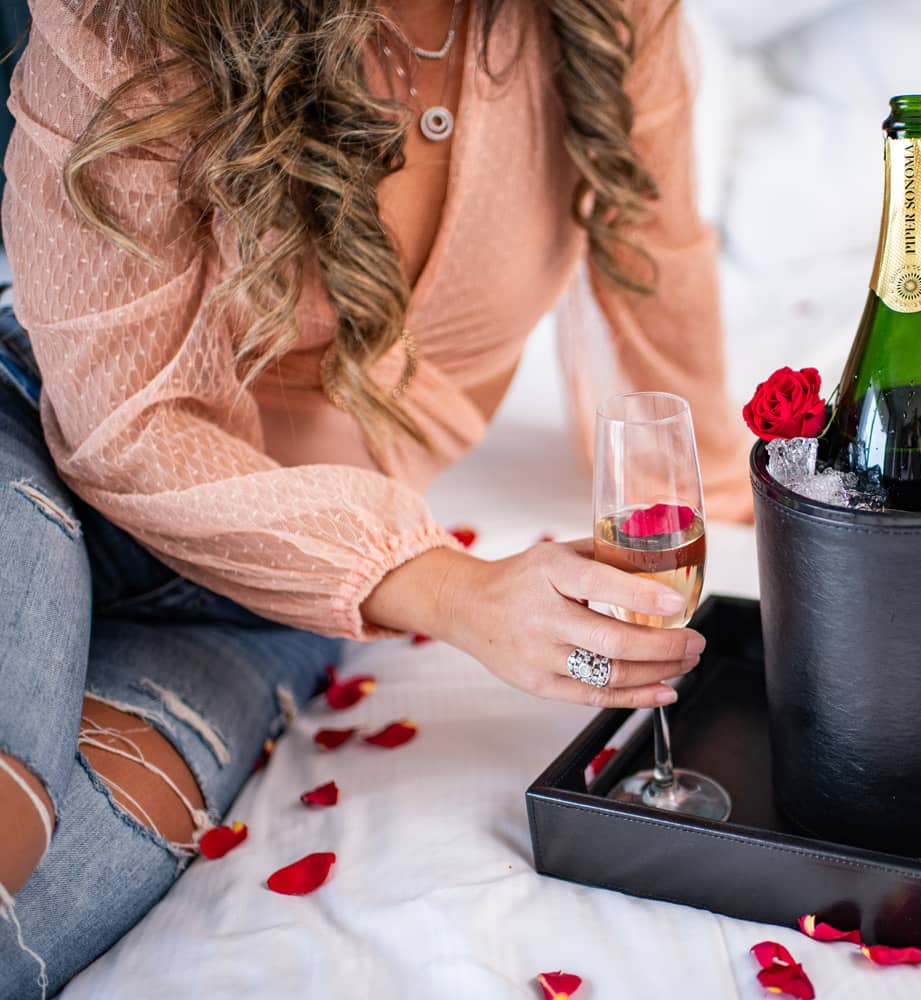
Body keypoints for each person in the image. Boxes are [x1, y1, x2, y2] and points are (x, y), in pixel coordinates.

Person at [0, 0, 749, 992]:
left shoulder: (612, 15)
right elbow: (124, 428)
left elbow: (660, 254)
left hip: (276, 600)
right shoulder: (133, 20)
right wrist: (439, 582)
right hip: (42, 453)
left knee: (39, 908)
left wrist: (737, 511)